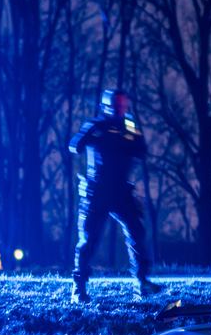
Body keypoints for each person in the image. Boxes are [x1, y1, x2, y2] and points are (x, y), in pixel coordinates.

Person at [68, 89, 164, 303]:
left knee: (136, 232)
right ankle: (79, 287)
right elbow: (75, 146)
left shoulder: (128, 127)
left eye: (123, 104)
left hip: (121, 191)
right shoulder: (96, 125)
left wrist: (132, 134)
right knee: (89, 239)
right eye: (117, 104)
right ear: (107, 105)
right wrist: (92, 132)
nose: (121, 109)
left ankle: (142, 282)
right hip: (98, 191)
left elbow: (141, 151)